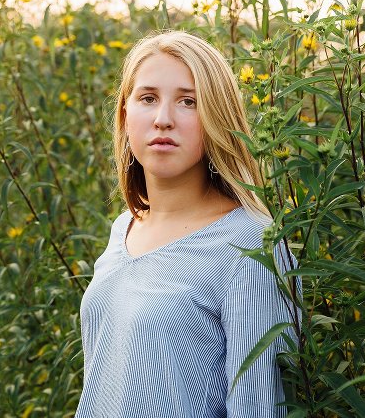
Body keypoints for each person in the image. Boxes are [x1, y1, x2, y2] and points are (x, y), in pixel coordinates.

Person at [76, 30, 300, 417]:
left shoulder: (250, 244)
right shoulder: (123, 228)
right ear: (126, 115)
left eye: (188, 102)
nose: (163, 119)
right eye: (148, 98)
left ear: (217, 117)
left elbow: (260, 406)